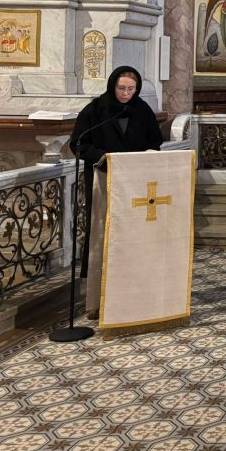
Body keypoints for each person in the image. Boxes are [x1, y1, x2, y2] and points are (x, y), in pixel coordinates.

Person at [70, 66, 163, 318]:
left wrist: (148, 155)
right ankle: (97, 298)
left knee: (133, 236)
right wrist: (102, 157)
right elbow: (78, 143)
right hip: (103, 180)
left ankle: (134, 292)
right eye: (121, 88)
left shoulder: (142, 110)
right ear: (113, 86)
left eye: (131, 89)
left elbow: (155, 141)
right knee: (103, 234)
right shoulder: (95, 110)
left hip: (135, 183)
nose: (125, 93)